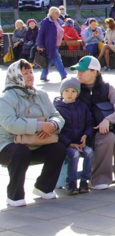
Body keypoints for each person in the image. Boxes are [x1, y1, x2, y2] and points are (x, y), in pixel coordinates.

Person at [0, 60, 67, 207]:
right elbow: (11, 124)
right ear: (16, 76)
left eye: (30, 72)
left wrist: (52, 124)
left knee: (58, 149)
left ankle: (43, 187)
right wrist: (40, 126)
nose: (30, 76)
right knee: (20, 152)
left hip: (36, 143)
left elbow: (57, 115)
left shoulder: (41, 95)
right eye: (25, 73)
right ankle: (14, 195)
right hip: (8, 144)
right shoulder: (5, 99)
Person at [72, 56, 115, 189]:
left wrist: (108, 120)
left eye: (82, 70)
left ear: (94, 72)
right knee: (108, 138)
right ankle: (98, 179)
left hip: (106, 127)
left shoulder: (107, 88)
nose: (78, 73)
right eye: (77, 71)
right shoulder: (75, 88)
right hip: (85, 132)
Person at [54, 78, 95, 195]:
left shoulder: (82, 106)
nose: (70, 94)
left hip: (80, 142)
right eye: (66, 90)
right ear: (61, 92)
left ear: (77, 93)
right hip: (66, 144)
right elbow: (57, 131)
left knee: (89, 152)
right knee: (74, 154)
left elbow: (89, 123)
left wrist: (86, 135)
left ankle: (84, 181)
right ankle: (71, 183)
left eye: (73, 91)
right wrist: (69, 144)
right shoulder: (57, 108)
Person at [36, 7, 68, 82]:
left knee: (49, 60)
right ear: (52, 13)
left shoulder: (59, 21)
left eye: (58, 13)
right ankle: (64, 75)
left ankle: (43, 75)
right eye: (56, 13)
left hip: (57, 44)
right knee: (57, 59)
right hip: (50, 45)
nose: (58, 14)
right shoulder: (46, 21)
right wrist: (40, 45)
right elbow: (41, 34)